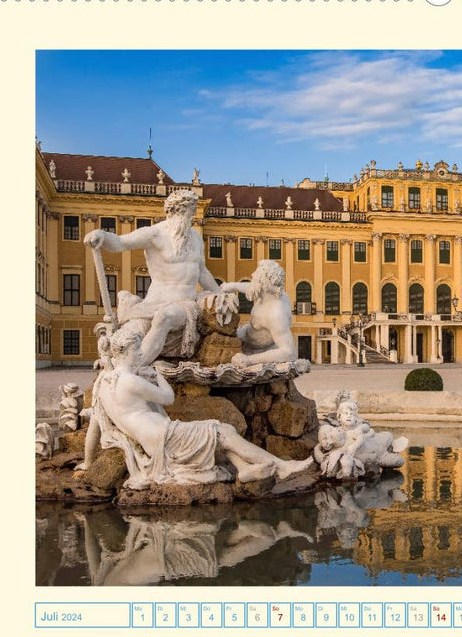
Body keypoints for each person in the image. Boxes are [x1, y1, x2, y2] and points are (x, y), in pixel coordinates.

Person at [83, 328, 311, 486]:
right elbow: (168, 398)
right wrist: (158, 375)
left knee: (216, 435)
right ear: (125, 351)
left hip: (159, 440)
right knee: (222, 430)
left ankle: (244, 468)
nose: (141, 353)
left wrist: (88, 463)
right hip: (165, 439)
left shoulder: (103, 384)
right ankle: (282, 465)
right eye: (137, 349)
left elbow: (94, 428)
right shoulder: (130, 381)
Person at [83, 189, 226, 366]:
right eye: (190, 210)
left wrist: (220, 294)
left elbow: (202, 272)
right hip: (152, 303)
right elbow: (120, 243)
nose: (192, 216)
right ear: (176, 211)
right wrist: (102, 236)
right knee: (130, 332)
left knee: (164, 317)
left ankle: (133, 369)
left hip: (183, 305)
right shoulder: (154, 234)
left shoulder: (196, 238)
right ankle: (115, 366)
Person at [218, 260, 297, 365]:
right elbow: (253, 287)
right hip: (245, 333)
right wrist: (233, 286)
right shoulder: (273, 294)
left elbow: (289, 352)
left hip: (253, 347)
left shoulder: (276, 314)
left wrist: (249, 360)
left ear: (265, 283)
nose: (252, 275)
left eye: (256, 277)